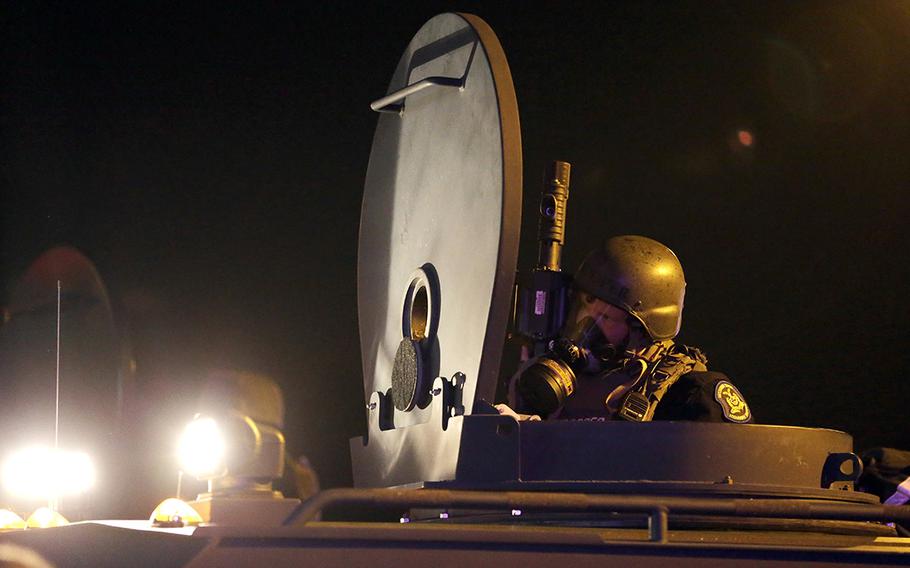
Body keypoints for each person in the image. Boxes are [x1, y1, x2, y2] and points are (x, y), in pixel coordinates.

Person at [498, 235, 753, 424]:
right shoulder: (547, 384)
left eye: (607, 316)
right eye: (586, 305)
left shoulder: (693, 395)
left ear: (640, 330)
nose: (588, 323)